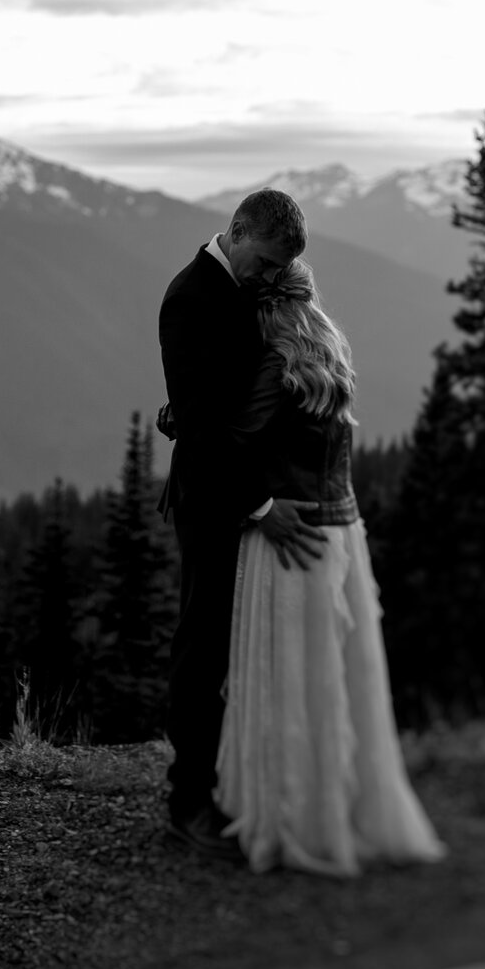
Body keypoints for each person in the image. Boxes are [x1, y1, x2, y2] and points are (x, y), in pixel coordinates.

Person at [212, 258, 444, 875]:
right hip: (342, 531)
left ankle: (296, 820)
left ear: (263, 306)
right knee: (336, 679)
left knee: (289, 680)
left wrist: (183, 420)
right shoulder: (331, 352)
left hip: (291, 535)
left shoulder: (274, 363)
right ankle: (342, 811)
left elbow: (231, 441)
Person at [156, 190, 327, 859]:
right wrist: (260, 504)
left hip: (241, 496)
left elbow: (214, 402)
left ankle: (228, 787)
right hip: (212, 503)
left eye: (280, 268)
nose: (269, 278)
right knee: (202, 648)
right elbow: (202, 429)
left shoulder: (237, 288)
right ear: (235, 231)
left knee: (234, 648)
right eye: (263, 263)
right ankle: (187, 800)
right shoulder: (190, 297)